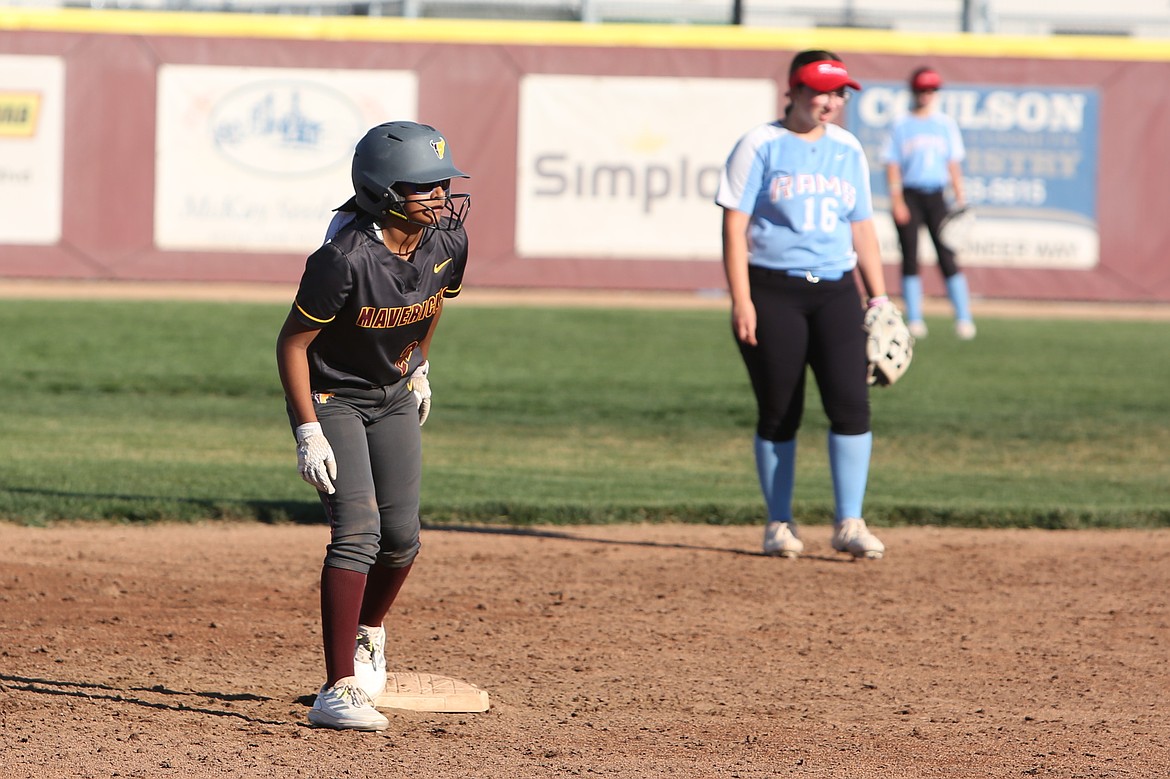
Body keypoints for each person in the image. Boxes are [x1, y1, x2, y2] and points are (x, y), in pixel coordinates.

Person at [276, 120, 471, 730]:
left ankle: (369, 633)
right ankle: (337, 691)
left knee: (403, 537)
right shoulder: (343, 259)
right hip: (334, 396)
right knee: (357, 531)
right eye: (424, 186)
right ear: (384, 191)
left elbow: (432, 307)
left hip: (391, 394)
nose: (440, 196)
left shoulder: (447, 244)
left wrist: (420, 368)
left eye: (443, 183)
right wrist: (307, 428)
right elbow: (291, 345)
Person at [715, 50, 891, 561]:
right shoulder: (760, 144)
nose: (831, 101)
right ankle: (778, 523)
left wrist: (878, 298)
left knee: (850, 405)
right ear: (792, 91)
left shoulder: (847, 148)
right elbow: (733, 226)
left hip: (836, 290)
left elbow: (862, 227)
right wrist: (741, 300)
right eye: (820, 90)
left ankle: (850, 522)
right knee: (780, 410)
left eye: (839, 92)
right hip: (773, 291)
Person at [880, 66, 975, 340]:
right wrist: (897, 201)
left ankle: (963, 317)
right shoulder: (901, 124)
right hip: (909, 195)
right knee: (910, 256)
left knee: (947, 254)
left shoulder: (944, 124)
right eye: (922, 89)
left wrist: (961, 197)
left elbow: (953, 163)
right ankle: (916, 319)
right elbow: (892, 165)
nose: (927, 94)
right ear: (913, 91)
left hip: (937, 196)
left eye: (931, 89)